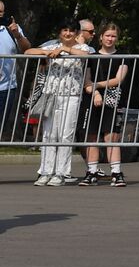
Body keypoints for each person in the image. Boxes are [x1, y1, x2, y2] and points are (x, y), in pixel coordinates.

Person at [26, 18, 94, 185]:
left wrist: (65, 49)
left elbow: (87, 55)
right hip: (51, 95)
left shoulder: (83, 47)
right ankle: (46, 171)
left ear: (77, 33)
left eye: (71, 30)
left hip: (71, 96)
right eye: (64, 30)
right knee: (49, 134)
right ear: (60, 32)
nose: (68, 33)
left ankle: (62, 172)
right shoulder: (52, 46)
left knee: (65, 134)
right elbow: (28, 52)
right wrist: (45, 53)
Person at [79, 22, 129, 186]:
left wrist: (97, 86)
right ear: (101, 37)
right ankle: (91, 171)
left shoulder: (122, 56)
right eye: (107, 35)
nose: (110, 38)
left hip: (113, 100)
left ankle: (116, 172)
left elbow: (118, 79)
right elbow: (87, 80)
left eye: (113, 36)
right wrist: (95, 93)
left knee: (111, 136)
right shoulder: (92, 58)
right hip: (92, 99)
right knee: (92, 136)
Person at [0, 0, 33, 136]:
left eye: (1, 12)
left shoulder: (12, 28)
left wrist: (17, 35)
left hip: (6, 87)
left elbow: (26, 48)